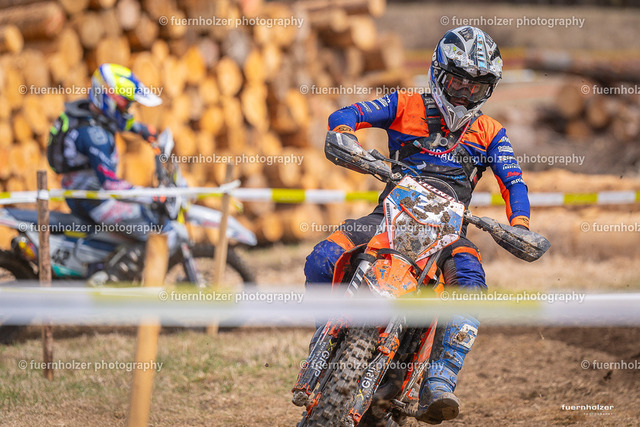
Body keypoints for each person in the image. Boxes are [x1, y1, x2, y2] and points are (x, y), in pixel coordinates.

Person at [304, 26, 530, 424]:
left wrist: (521, 225)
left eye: (476, 88)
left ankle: (439, 381)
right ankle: (328, 335)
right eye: (457, 82)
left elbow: (513, 182)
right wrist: (345, 136)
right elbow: (348, 114)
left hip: (449, 232)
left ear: (488, 91)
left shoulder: (492, 133)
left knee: (471, 285)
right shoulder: (405, 103)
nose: (463, 94)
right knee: (323, 258)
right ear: (439, 74)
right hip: (390, 215)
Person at [47, 63, 178, 285]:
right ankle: (111, 278)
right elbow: (110, 184)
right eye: (126, 105)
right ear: (109, 99)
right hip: (92, 199)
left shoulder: (90, 115)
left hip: (84, 192)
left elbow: (115, 121)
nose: (128, 111)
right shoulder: (94, 135)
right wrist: (151, 196)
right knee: (151, 226)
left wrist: (141, 130)